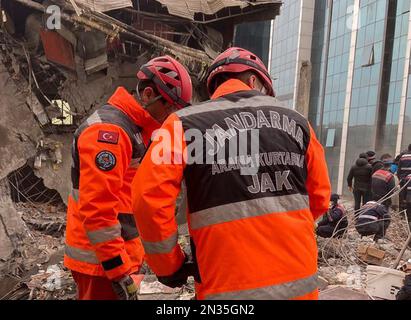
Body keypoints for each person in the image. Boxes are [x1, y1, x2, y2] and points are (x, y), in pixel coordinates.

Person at [131, 47, 331, 300]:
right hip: (298, 286)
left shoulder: (182, 124)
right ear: (254, 81)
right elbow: (321, 197)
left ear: (216, 87)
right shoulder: (300, 123)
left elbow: (147, 199)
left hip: (225, 288)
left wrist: (168, 266)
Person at [64, 56, 193, 300]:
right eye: (169, 108)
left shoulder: (133, 130)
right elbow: (98, 209)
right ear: (147, 95)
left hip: (113, 258)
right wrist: (118, 271)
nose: (170, 118)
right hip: (100, 265)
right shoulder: (109, 132)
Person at [398, 144, 411, 212]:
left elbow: (399, 169)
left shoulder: (403, 157)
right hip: (410, 179)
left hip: (403, 178)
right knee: (409, 195)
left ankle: (402, 210)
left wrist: (399, 177)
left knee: (402, 194)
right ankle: (408, 212)